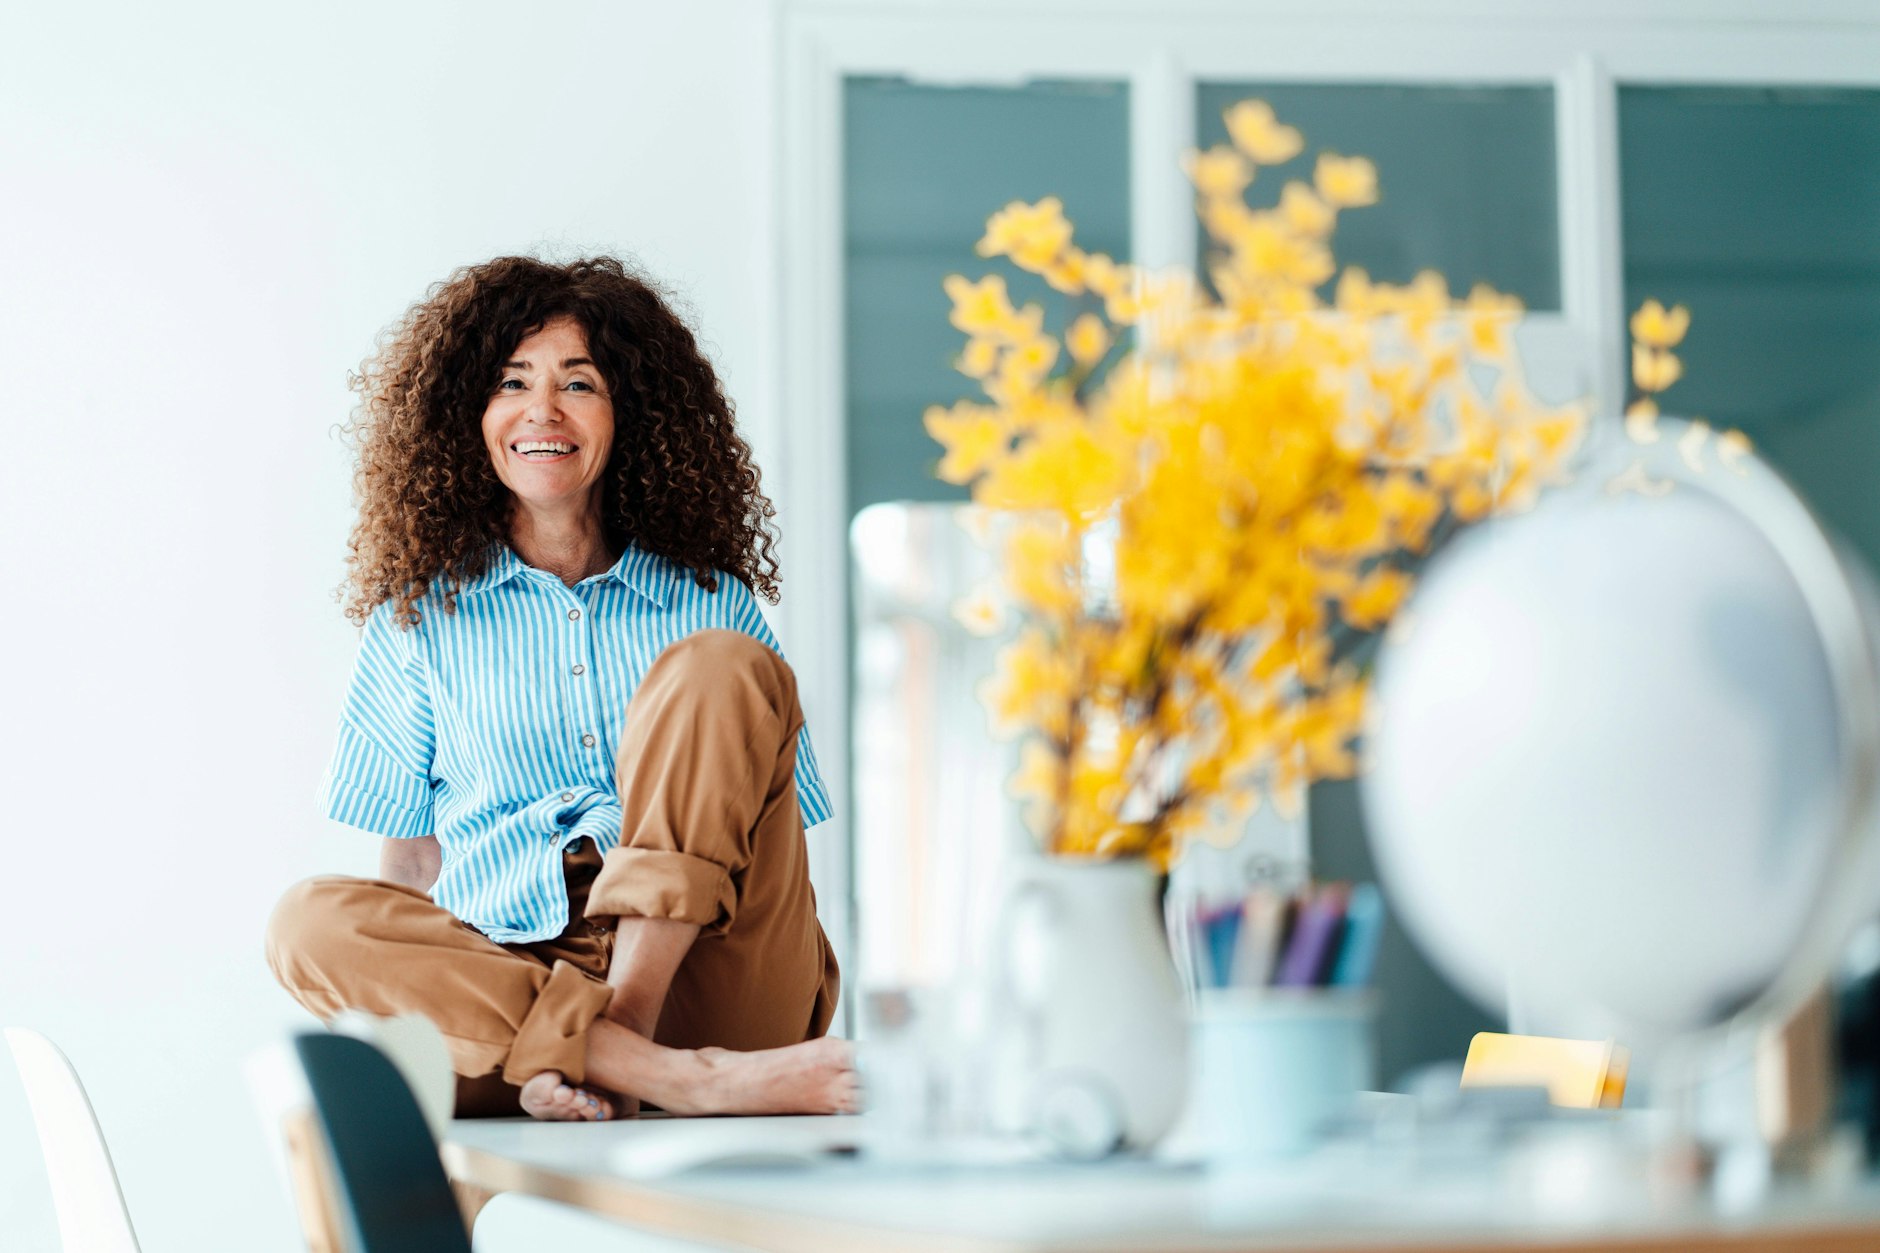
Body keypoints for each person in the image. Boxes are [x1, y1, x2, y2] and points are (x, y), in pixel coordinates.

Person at [265, 255, 855, 1121]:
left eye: (579, 382)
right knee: (305, 923)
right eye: (512, 382)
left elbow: (776, 835)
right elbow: (412, 869)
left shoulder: (713, 603)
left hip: (711, 978)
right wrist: (452, 985)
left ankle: (622, 1041)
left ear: (629, 415)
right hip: (519, 983)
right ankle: (658, 1073)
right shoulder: (417, 618)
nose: (543, 409)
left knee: (717, 664)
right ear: (470, 414)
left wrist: (618, 994)